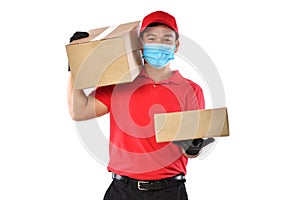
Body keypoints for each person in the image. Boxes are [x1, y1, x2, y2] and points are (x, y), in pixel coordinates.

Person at [68, 10, 215, 200]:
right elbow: (79, 111)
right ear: (140, 44)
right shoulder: (118, 83)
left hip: (170, 191)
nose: (159, 45)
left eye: (166, 39)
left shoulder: (191, 90)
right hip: (122, 191)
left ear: (176, 46)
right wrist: (75, 66)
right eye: (151, 38)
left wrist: (194, 146)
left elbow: (191, 151)